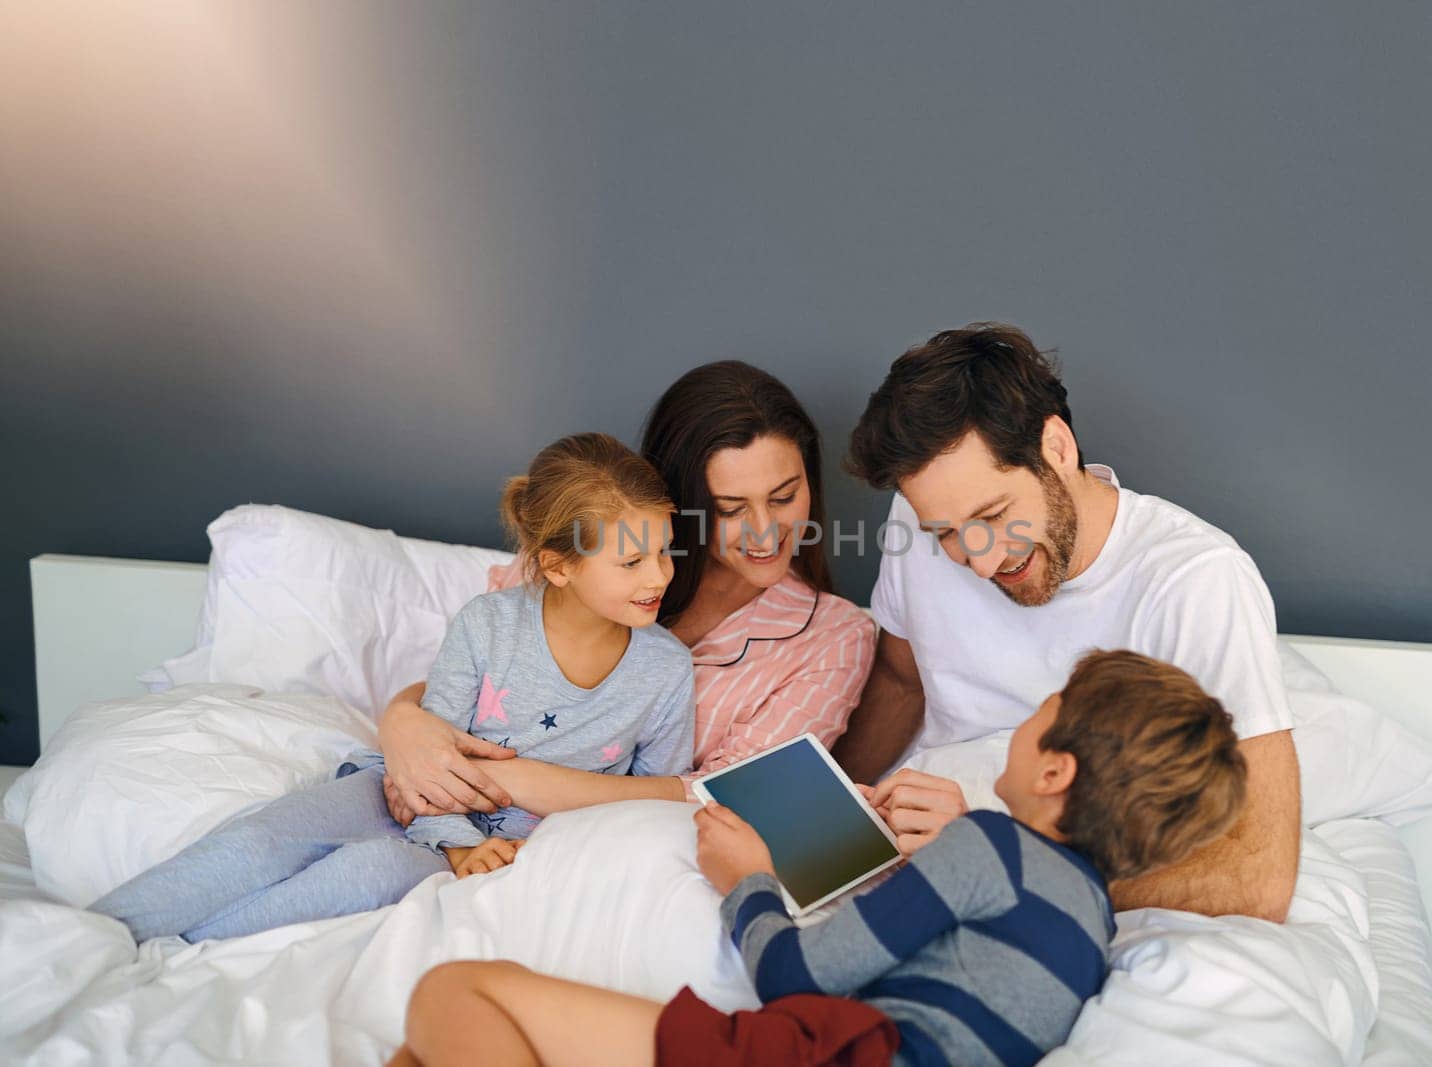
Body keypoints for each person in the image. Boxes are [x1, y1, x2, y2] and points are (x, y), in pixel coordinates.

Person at [384, 650, 1248, 1067]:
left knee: (450, 992)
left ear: (1054, 769)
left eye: (1041, 707)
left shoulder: (990, 845)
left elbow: (799, 979)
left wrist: (749, 877)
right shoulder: (1093, 919)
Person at [89, 433, 694, 941]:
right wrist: (455, 839)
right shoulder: (489, 623)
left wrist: (467, 854)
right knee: (262, 836)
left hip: (508, 846)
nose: (659, 576)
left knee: (365, 876)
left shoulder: (664, 671)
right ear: (559, 565)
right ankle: (97, 933)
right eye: (632, 562)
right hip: (404, 794)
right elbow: (430, 753)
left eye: (665, 551)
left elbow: (650, 806)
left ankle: (166, 950)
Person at [832, 322, 1302, 922]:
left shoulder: (1196, 580)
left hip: (1030, 865)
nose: (979, 561)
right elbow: (901, 680)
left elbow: (1258, 881)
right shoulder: (919, 510)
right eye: (947, 534)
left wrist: (998, 859)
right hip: (921, 841)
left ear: (1056, 447)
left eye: (994, 515)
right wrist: (831, 814)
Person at [377, 361, 876, 822]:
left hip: (607, 845)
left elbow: (730, 793)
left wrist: (497, 776)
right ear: (681, 502)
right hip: (464, 823)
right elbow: (483, 665)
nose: (766, 531)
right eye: (730, 508)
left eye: (784, 496)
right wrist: (403, 722)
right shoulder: (594, 557)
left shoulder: (834, 637)